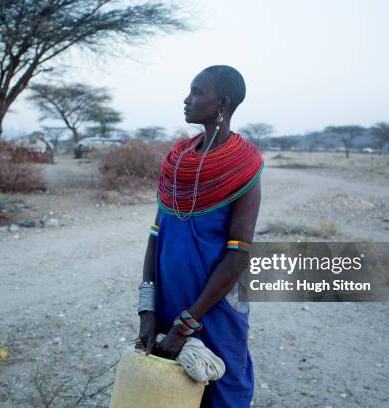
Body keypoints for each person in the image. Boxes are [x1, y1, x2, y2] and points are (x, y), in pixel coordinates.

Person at [136, 65, 263, 407]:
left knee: (223, 387)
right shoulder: (178, 161)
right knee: (166, 392)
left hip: (215, 305)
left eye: (196, 92)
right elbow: (155, 237)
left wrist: (186, 325)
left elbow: (238, 255)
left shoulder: (244, 166)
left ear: (221, 102)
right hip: (169, 300)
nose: (186, 100)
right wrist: (147, 311)